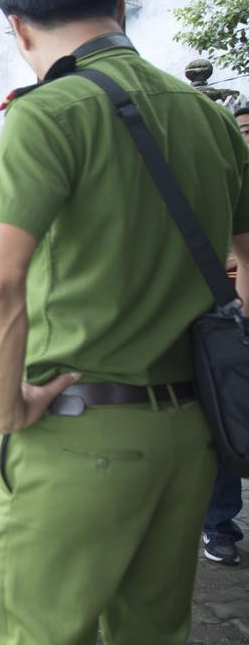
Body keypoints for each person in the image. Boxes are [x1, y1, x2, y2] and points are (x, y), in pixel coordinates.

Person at [0, 0, 249, 645]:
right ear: (119, 7)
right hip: (192, 435)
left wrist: (2, 408)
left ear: (18, 25)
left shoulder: (47, 114)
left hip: (77, 428)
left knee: (35, 633)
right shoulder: (211, 119)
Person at [202, 101, 249, 568]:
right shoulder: (225, 180)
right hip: (226, 321)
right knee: (227, 422)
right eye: (243, 130)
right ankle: (219, 526)